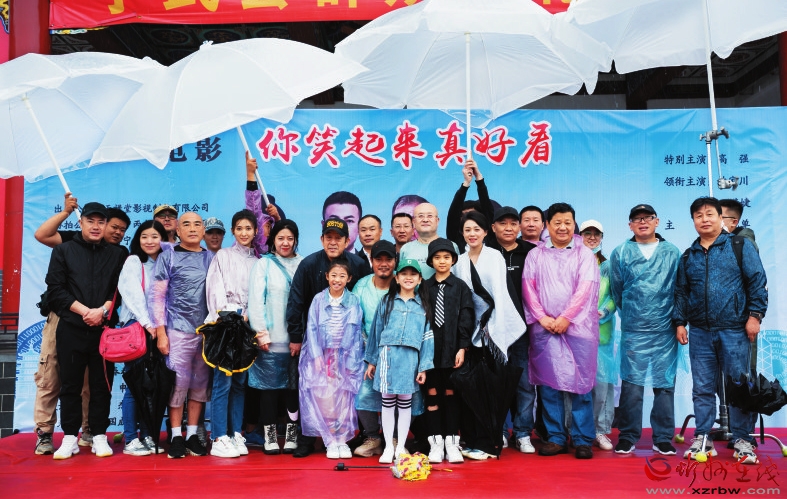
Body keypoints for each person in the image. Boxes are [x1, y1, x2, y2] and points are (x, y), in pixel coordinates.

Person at [674, 197, 767, 464]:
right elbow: (681, 292)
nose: (704, 219)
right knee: (702, 387)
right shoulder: (688, 255)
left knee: (740, 385)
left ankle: (743, 440)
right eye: (698, 216)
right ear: (693, 221)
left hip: (735, 329)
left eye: (709, 214)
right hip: (700, 332)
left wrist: (755, 316)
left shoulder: (739, 246)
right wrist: (680, 322)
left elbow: (757, 281)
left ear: (719, 217)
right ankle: (703, 437)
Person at [32, 193, 121, 454]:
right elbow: (56, 288)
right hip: (70, 326)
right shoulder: (64, 249)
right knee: (69, 385)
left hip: (102, 329)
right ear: (80, 222)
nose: (96, 226)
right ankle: (69, 437)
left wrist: (102, 311)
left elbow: (118, 289)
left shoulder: (117, 253)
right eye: (90, 221)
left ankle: (99, 434)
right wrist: (85, 312)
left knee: (101, 385)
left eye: (101, 222)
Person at [285, 217, 370, 457]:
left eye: (338, 238)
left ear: (347, 240)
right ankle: (307, 439)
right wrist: (296, 336)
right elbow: (296, 301)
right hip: (315, 345)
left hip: (346, 349)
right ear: (322, 239)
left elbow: (363, 302)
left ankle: (345, 438)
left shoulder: (358, 264)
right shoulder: (309, 264)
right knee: (313, 389)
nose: (333, 242)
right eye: (328, 238)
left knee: (344, 394)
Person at [523, 203, 599, 460]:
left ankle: (582, 439)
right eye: (557, 222)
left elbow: (586, 289)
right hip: (544, 328)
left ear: (574, 224)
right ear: (548, 225)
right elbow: (528, 288)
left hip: (578, 328)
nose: (563, 227)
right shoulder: (536, 255)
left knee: (581, 383)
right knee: (549, 384)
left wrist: (566, 317)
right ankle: (555, 437)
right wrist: (542, 318)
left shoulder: (584, 254)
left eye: (568, 222)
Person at [607, 206, 681, 456]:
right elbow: (617, 291)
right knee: (632, 386)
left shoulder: (672, 252)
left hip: (665, 329)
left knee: (664, 385)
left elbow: (679, 289)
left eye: (647, 218)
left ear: (656, 221)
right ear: (630, 225)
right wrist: (632, 314)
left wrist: (678, 322)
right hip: (634, 329)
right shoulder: (621, 252)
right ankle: (628, 436)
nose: (643, 222)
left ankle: (662, 438)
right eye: (637, 219)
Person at [453, 211, 527, 459]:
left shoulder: (494, 257)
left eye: (477, 229)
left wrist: (490, 326)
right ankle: (473, 439)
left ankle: (490, 443)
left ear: (486, 232)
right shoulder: (459, 262)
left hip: (492, 330)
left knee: (491, 388)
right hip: (469, 331)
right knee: (471, 388)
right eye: (467, 230)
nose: (472, 234)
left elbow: (501, 295)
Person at [148, 212, 215, 459]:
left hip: (205, 333)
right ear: (177, 230)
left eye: (198, 224)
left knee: (199, 385)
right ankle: (176, 435)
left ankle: (192, 435)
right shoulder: (168, 257)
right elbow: (157, 297)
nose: (193, 228)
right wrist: (161, 332)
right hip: (176, 330)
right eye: (186, 224)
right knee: (178, 384)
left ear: (203, 230)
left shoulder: (212, 258)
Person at [365, 258, 434, 463]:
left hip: (410, 359)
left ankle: (401, 445)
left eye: (413, 274)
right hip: (387, 356)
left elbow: (427, 338)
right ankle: (388, 447)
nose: (408, 278)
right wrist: (372, 361)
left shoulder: (423, 306)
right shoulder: (387, 301)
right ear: (397, 277)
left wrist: (423, 367)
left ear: (420, 279)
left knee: (405, 403)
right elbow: (376, 331)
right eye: (404, 273)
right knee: (387, 402)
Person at [204, 209, 260, 458]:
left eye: (248, 228)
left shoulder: (258, 261)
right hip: (225, 327)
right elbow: (215, 291)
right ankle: (218, 436)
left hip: (246, 328)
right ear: (233, 231)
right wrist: (231, 316)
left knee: (239, 383)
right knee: (222, 383)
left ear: (255, 231)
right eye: (239, 228)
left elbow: (257, 296)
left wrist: (248, 316)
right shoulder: (223, 256)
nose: (244, 233)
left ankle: (235, 432)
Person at [247, 219, 304, 455]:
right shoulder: (264, 265)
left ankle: (291, 433)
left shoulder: (303, 263)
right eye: (281, 238)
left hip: (296, 340)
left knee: (293, 388)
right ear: (273, 240)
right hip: (270, 339)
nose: (285, 243)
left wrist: (302, 336)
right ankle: (269, 435)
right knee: (268, 390)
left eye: (290, 238)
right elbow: (255, 301)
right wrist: (261, 333)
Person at [299, 259, 364, 459]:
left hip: (345, 357)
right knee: (326, 399)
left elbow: (355, 332)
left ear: (349, 279)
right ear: (327, 276)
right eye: (334, 275)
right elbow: (311, 327)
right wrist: (316, 355)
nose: (337, 280)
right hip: (323, 356)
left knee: (344, 399)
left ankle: (342, 440)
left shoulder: (353, 300)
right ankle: (330, 441)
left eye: (342, 276)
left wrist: (350, 361)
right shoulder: (318, 300)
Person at [487, 206, 537, 453]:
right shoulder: (486, 252)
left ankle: (523, 432)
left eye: (512, 223)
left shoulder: (531, 253)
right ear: (493, 227)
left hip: (522, 330)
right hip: (492, 330)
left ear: (519, 227)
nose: (508, 228)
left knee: (525, 382)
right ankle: (498, 430)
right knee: (495, 382)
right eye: (502, 223)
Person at [117, 220, 169, 456]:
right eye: (144, 236)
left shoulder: (165, 263)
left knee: (154, 385)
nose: (149, 241)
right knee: (134, 386)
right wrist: (149, 324)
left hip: (159, 330)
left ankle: (148, 435)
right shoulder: (134, 262)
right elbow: (132, 295)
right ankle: (130, 438)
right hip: (138, 329)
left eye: (155, 236)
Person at [422, 238, 474, 464]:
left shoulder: (461, 287)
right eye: (437, 257)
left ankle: (452, 442)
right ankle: (435, 443)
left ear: (453, 260)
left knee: (452, 395)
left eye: (446, 257)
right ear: (431, 261)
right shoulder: (424, 287)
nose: (442, 261)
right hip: (431, 352)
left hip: (453, 351)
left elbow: (466, 318)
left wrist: (462, 347)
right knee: (432, 394)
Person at [351, 240, 396, 458]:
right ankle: (372, 438)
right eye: (379, 259)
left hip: (400, 353)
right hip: (367, 353)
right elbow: (355, 322)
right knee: (363, 393)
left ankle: (395, 438)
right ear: (372, 261)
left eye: (389, 259)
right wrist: (371, 354)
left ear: (395, 261)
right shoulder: (361, 287)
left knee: (407, 395)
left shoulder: (406, 283)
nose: (384, 264)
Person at [578, 220, 618, 452]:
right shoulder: (572, 262)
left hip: (602, 334)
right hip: (575, 333)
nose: (592, 237)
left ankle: (600, 430)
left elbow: (615, 295)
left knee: (602, 384)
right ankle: (574, 430)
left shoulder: (608, 265)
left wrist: (603, 311)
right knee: (575, 385)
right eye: (587, 233)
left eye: (596, 234)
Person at [446, 158, 494, 254]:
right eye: (463, 216)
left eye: (472, 215)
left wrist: (479, 178)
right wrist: (466, 184)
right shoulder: (456, 239)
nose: (467, 218)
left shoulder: (490, 237)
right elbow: (453, 214)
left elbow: (487, 209)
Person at [400, 203, 458, 280]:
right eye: (421, 216)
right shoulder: (406, 249)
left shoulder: (452, 246)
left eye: (430, 216)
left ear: (437, 221)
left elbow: (458, 275)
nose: (425, 220)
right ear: (413, 222)